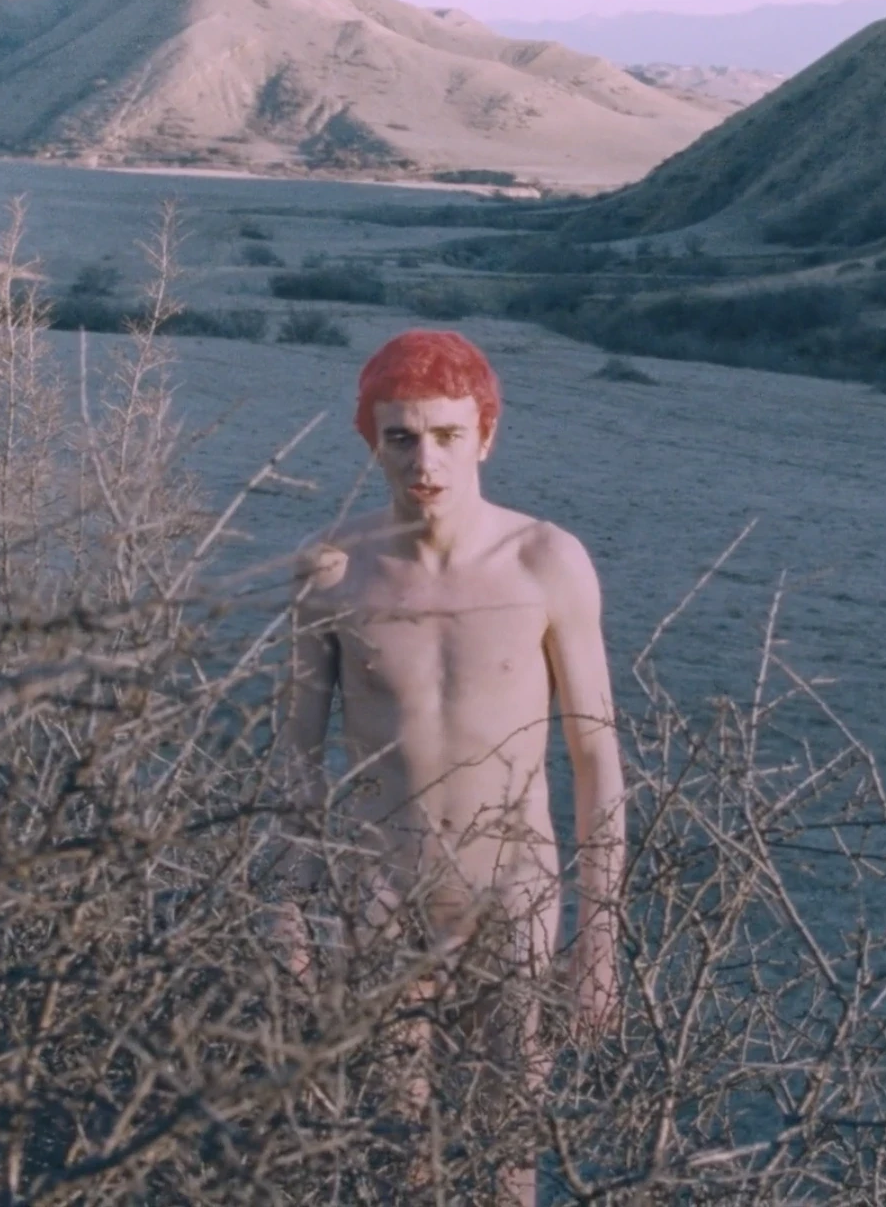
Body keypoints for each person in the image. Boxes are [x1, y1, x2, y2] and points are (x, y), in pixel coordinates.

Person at [277, 328, 624, 1194]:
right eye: (400, 437)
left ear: (486, 435)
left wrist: (600, 941)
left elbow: (595, 757)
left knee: (510, 1150)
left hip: (514, 892)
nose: (423, 460)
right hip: (380, 892)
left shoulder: (546, 563)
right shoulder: (331, 573)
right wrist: (285, 911)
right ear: (371, 440)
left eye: (446, 435)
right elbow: (294, 757)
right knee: (400, 1154)